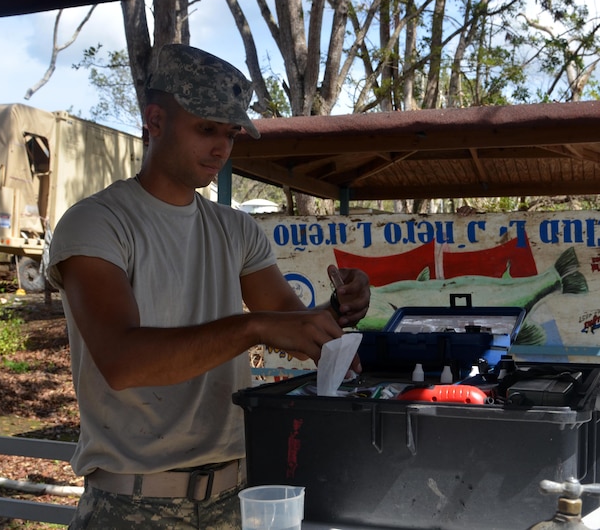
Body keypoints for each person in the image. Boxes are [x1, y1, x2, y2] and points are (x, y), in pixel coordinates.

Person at [46, 43, 370, 529]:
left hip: (235, 497)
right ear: (155, 121)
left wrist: (338, 309)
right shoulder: (97, 223)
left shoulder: (235, 229)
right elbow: (122, 361)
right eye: (205, 129)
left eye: (231, 133)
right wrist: (253, 328)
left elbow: (291, 325)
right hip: (133, 503)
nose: (221, 148)